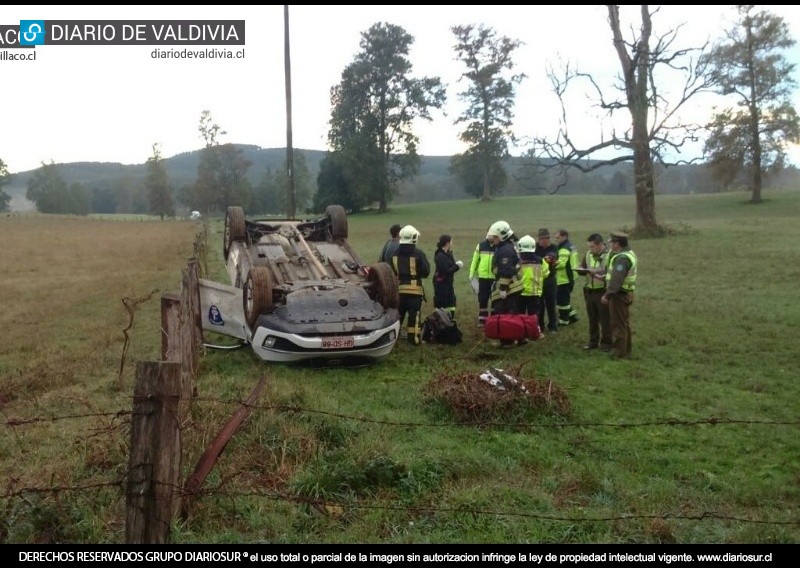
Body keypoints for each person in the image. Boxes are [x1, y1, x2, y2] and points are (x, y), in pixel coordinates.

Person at [391, 225, 431, 346]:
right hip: (414, 290)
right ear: (413, 238)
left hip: (400, 289)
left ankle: (393, 339)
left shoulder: (394, 253)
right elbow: (425, 271)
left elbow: (392, 270)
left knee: (399, 315)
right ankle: (413, 339)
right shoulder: (418, 253)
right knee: (414, 316)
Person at [486, 220, 523, 346]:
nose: (493, 239)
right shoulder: (505, 247)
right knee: (510, 313)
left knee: (506, 315)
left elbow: (506, 270)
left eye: (495, 237)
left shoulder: (505, 250)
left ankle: (508, 340)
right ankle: (516, 337)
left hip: (508, 288)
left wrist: (502, 288)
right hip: (510, 286)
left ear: (502, 236)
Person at [601, 231, 637, 359]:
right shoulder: (629, 254)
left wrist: (607, 295)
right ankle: (626, 349)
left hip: (619, 295)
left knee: (618, 324)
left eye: (612, 242)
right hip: (625, 293)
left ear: (617, 244)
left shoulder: (622, 258)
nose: (610, 245)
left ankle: (619, 352)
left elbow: (617, 280)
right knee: (624, 323)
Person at [579, 233, 612, 351]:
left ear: (600, 245)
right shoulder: (588, 254)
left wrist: (596, 274)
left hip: (602, 291)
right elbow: (583, 269)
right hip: (589, 291)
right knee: (592, 318)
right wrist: (581, 269)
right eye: (589, 246)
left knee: (605, 320)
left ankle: (606, 344)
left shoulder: (609, 256)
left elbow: (611, 275)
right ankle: (593, 342)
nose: (590, 249)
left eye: (592, 246)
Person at [516, 235, 548, 331]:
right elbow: (546, 273)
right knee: (533, 315)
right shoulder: (540, 260)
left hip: (520, 291)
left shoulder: (518, 260)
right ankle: (534, 332)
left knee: (520, 313)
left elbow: (513, 273)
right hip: (535, 292)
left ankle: (520, 331)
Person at [432, 234, 463, 321]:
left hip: (448, 284)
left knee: (451, 304)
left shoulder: (448, 254)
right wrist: (457, 266)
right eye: (451, 241)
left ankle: (450, 321)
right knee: (442, 305)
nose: (452, 243)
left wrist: (456, 266)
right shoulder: (440, 256)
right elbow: (446, 271)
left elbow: (451, 268)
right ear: (447, 243)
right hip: (441, 285)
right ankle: (441, 323)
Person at [554, 228, 580, 327]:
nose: (556, 239)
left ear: (564, 237)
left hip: (564, 278)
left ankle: (564, 321)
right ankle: (573, 315)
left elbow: (561, 264)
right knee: (563, 299)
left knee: (562, 301)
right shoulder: (571, 246)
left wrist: (550, 263)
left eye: (558, 237)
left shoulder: (564, 249)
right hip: (571, 276)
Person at [468, 231, 495, 326]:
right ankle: (482, 320)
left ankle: (494, 320)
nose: (490, 236)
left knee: (495, 299)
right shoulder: (481, 245)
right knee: (483, 299)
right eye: (489, 234)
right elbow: (475, 260)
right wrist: (471, 275)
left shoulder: (499, 246)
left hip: (494, 278)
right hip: (483, 277)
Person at [535, 228, 559, 334]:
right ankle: (540, 325)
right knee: (539, 304)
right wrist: (545, 259)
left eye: (546, 238)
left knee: (551, 303)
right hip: (538, 279)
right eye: (542, 239)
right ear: (539, 239)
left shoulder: (553, 247)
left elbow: (552, 256)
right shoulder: (535, 248)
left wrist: (542, 259)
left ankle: (553, 326)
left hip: (550, 279)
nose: (545, 241)